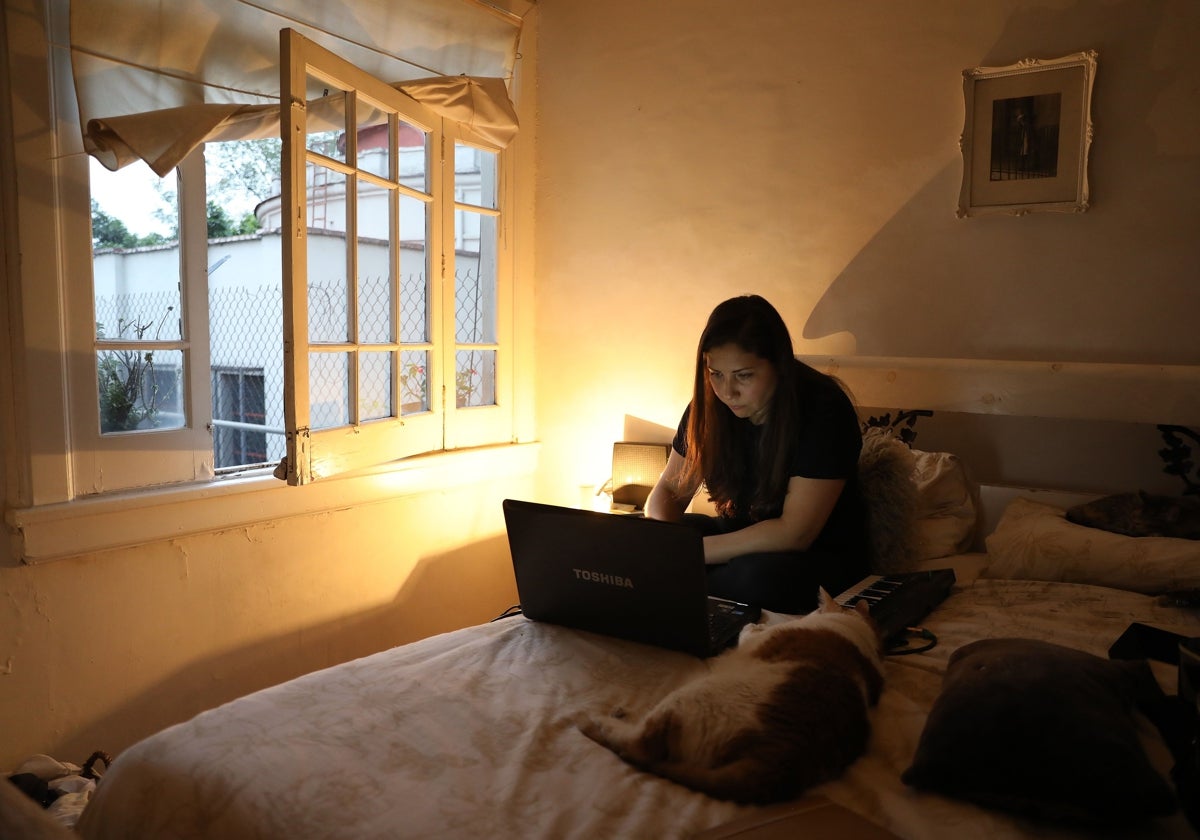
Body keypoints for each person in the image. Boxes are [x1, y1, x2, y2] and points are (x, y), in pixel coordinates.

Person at [644, 294, 868, 614]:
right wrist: (666, 542)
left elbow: (795, 532)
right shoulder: (710, 406)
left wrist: (689, 555)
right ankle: (677, 582)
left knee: (758, 579)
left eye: (743, 376)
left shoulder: (823, 409)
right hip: (737, 540)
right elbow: (669, 491)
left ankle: (673, 586)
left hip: (814, 557)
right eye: (715, 373)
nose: (726, 391)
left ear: (778, 364)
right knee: (628, 537)